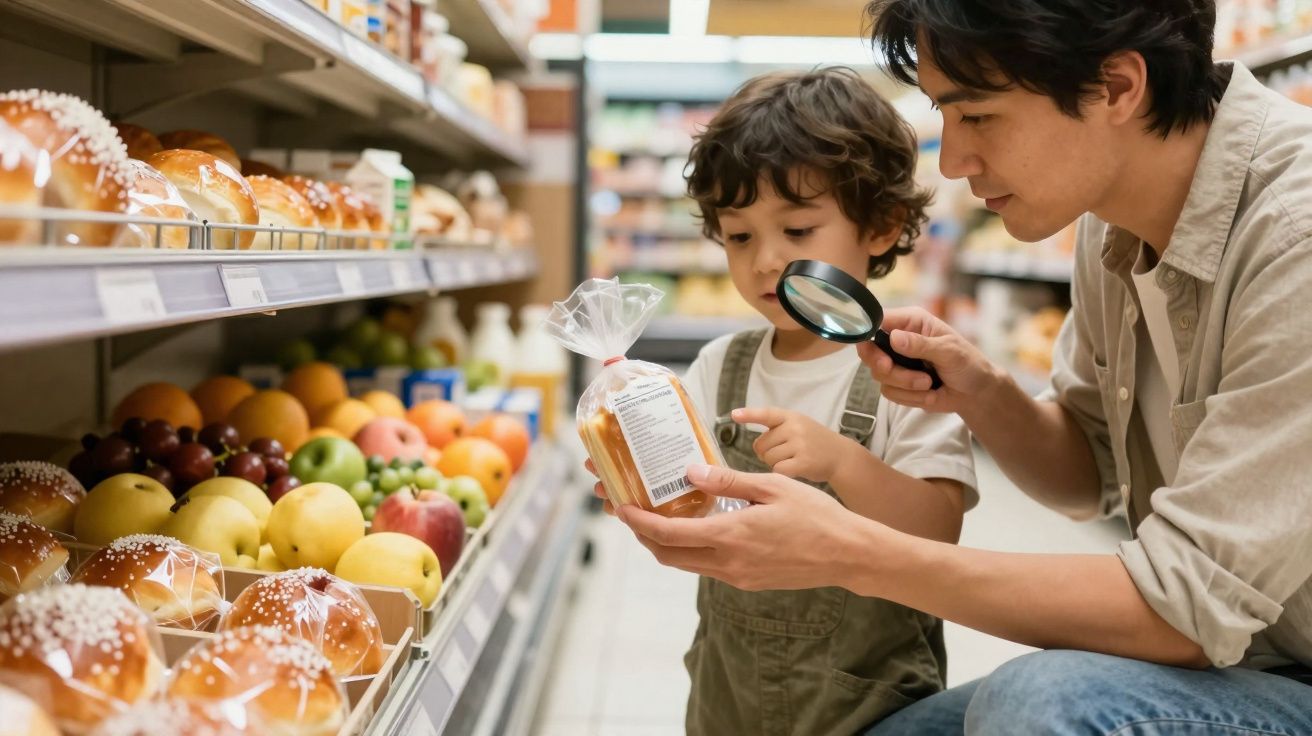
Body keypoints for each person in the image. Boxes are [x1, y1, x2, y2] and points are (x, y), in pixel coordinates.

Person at [599, 1, 1312, 733]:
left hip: (1284, 670)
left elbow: (1182, 613)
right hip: (1233, 661)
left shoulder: (1296, 235)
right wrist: (983, 392)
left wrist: (849, 551)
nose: (952, 161)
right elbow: (1088, 477)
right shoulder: (1112, 224)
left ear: (1118, 88)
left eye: (976, 115)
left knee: (1042, 704)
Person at [675, 67, 977, 734]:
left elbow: (938, 532)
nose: (764, 262)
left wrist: (843, 463)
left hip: (872, 712)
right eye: (740, 235)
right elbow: (686, 503)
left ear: (880, 226)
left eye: (799, 231)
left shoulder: (906, 372)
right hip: (727, 700)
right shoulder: (718, 367)